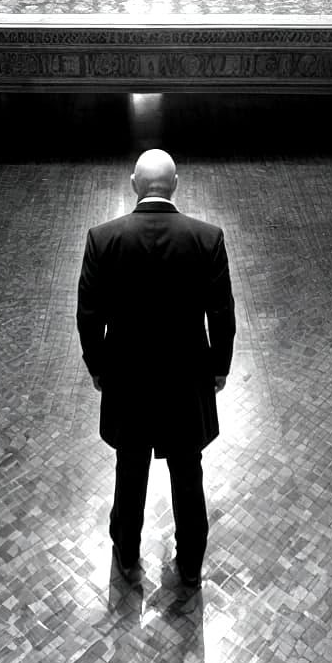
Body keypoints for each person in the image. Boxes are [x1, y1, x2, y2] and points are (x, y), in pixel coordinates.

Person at [77, 148, 235, 596]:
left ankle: (127, 550)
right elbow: (221, 315)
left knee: (130, 468)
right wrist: (218, 368)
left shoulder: (103, 239)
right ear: (175, 185)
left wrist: (98, 367)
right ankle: (190, 564)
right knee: (187, 472)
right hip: (185, 381)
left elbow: (88, 315)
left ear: (134, 184)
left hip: (127, 381)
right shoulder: (207, 239)